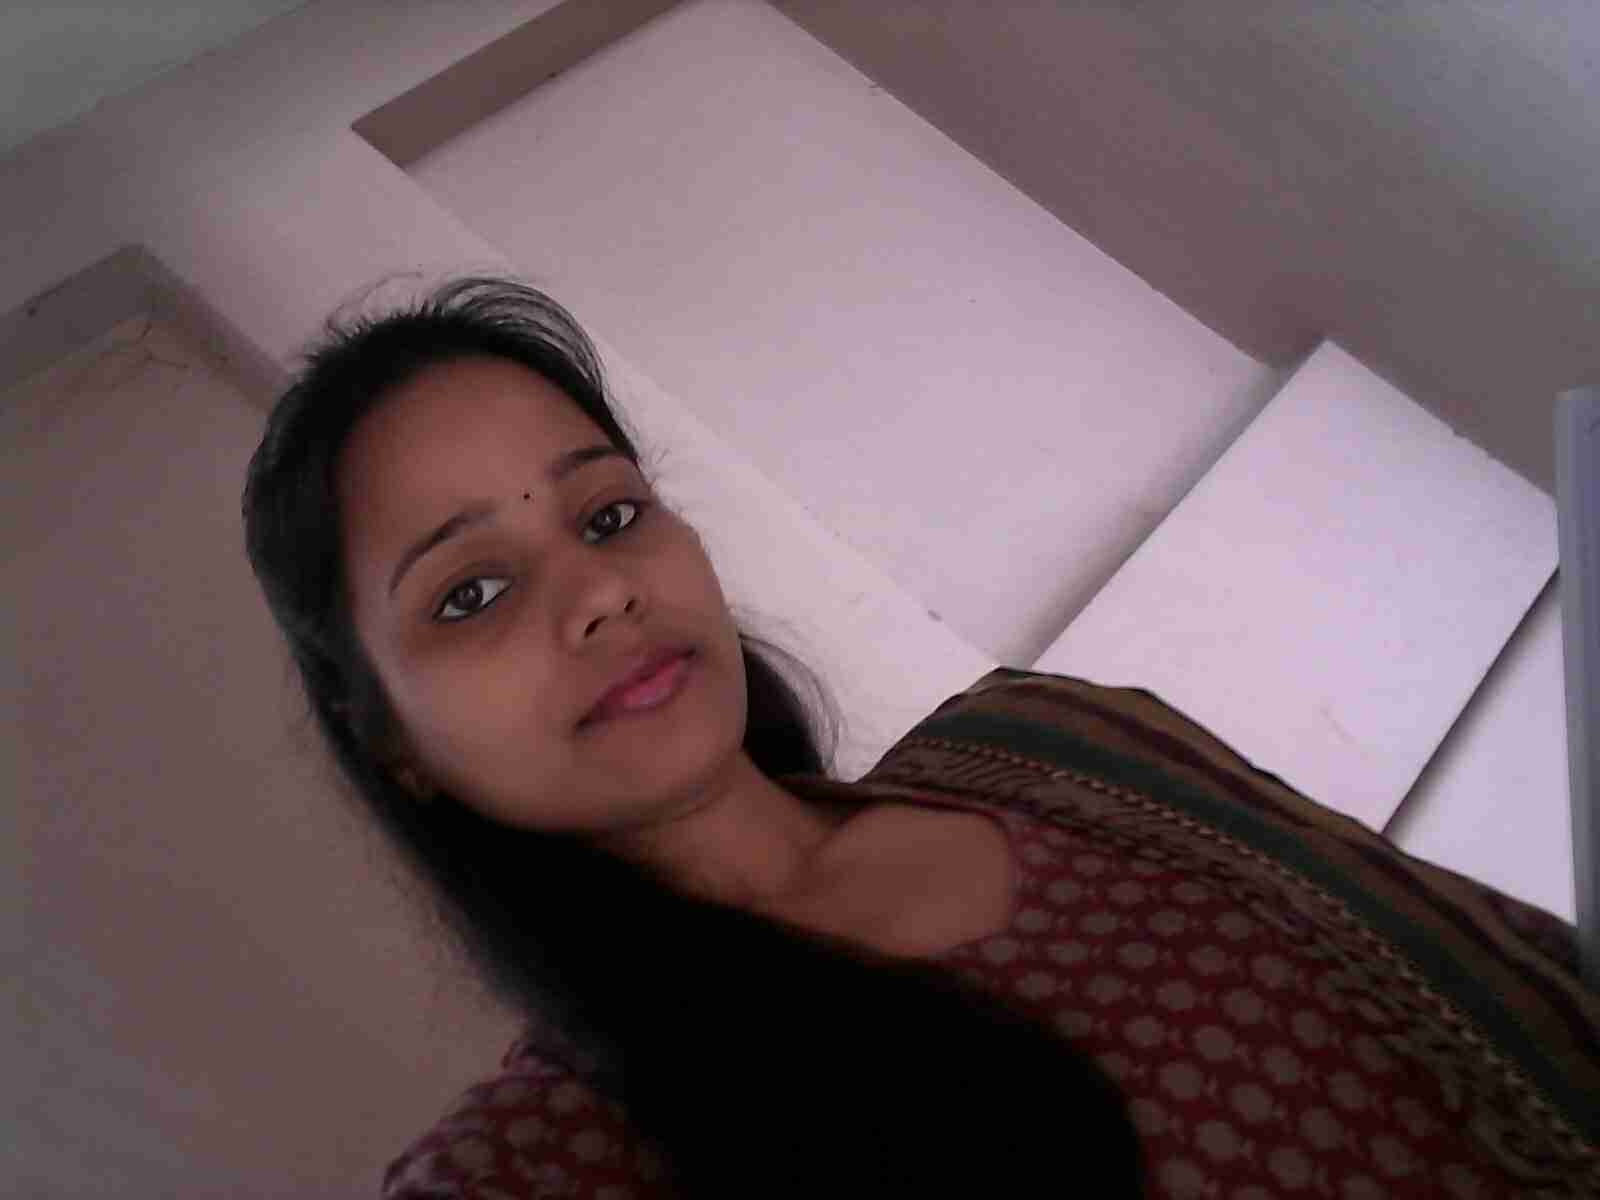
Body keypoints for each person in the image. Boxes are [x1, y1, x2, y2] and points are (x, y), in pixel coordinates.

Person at [242, 277, 1599, 1199]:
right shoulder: (536, 1164)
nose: (601, 590)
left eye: (608, 515)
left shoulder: (1050, 737)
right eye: (469, 593)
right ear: (391, 740)